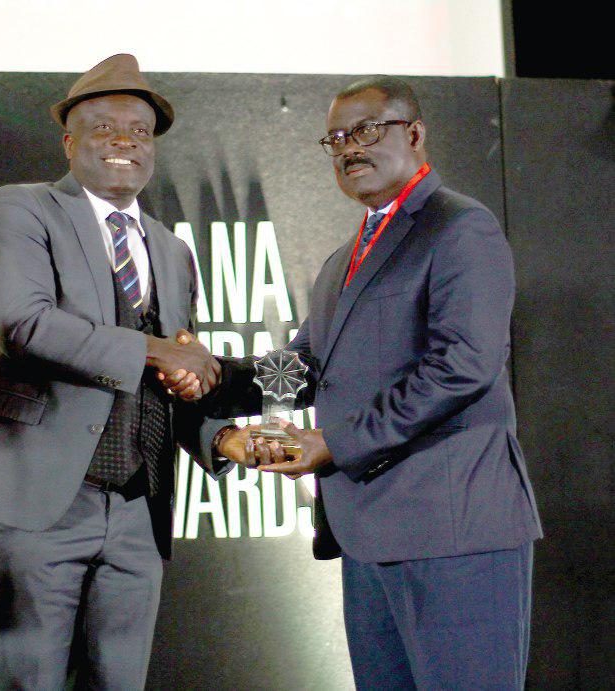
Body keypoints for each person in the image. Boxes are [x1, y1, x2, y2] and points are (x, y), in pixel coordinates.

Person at [168, 76, 543, 689]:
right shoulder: (344, 259)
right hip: (368, 538)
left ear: (415, 133)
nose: (349, 148)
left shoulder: (459, 228)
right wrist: (213, 374)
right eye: (336, 138)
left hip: (454, 534)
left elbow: (464, 365)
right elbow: (303, 366)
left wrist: (336, 443)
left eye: (367, 130)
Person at [0, 54, 252, 690]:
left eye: (138, 129)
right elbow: (25, 324)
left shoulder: (171, 249)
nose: (124, 139)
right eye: (103, 127)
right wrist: (161, 351)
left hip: (137, 508)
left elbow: (173, 379)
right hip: (37, 499)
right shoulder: (21, 209)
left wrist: (221, 437)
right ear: (69, 141)